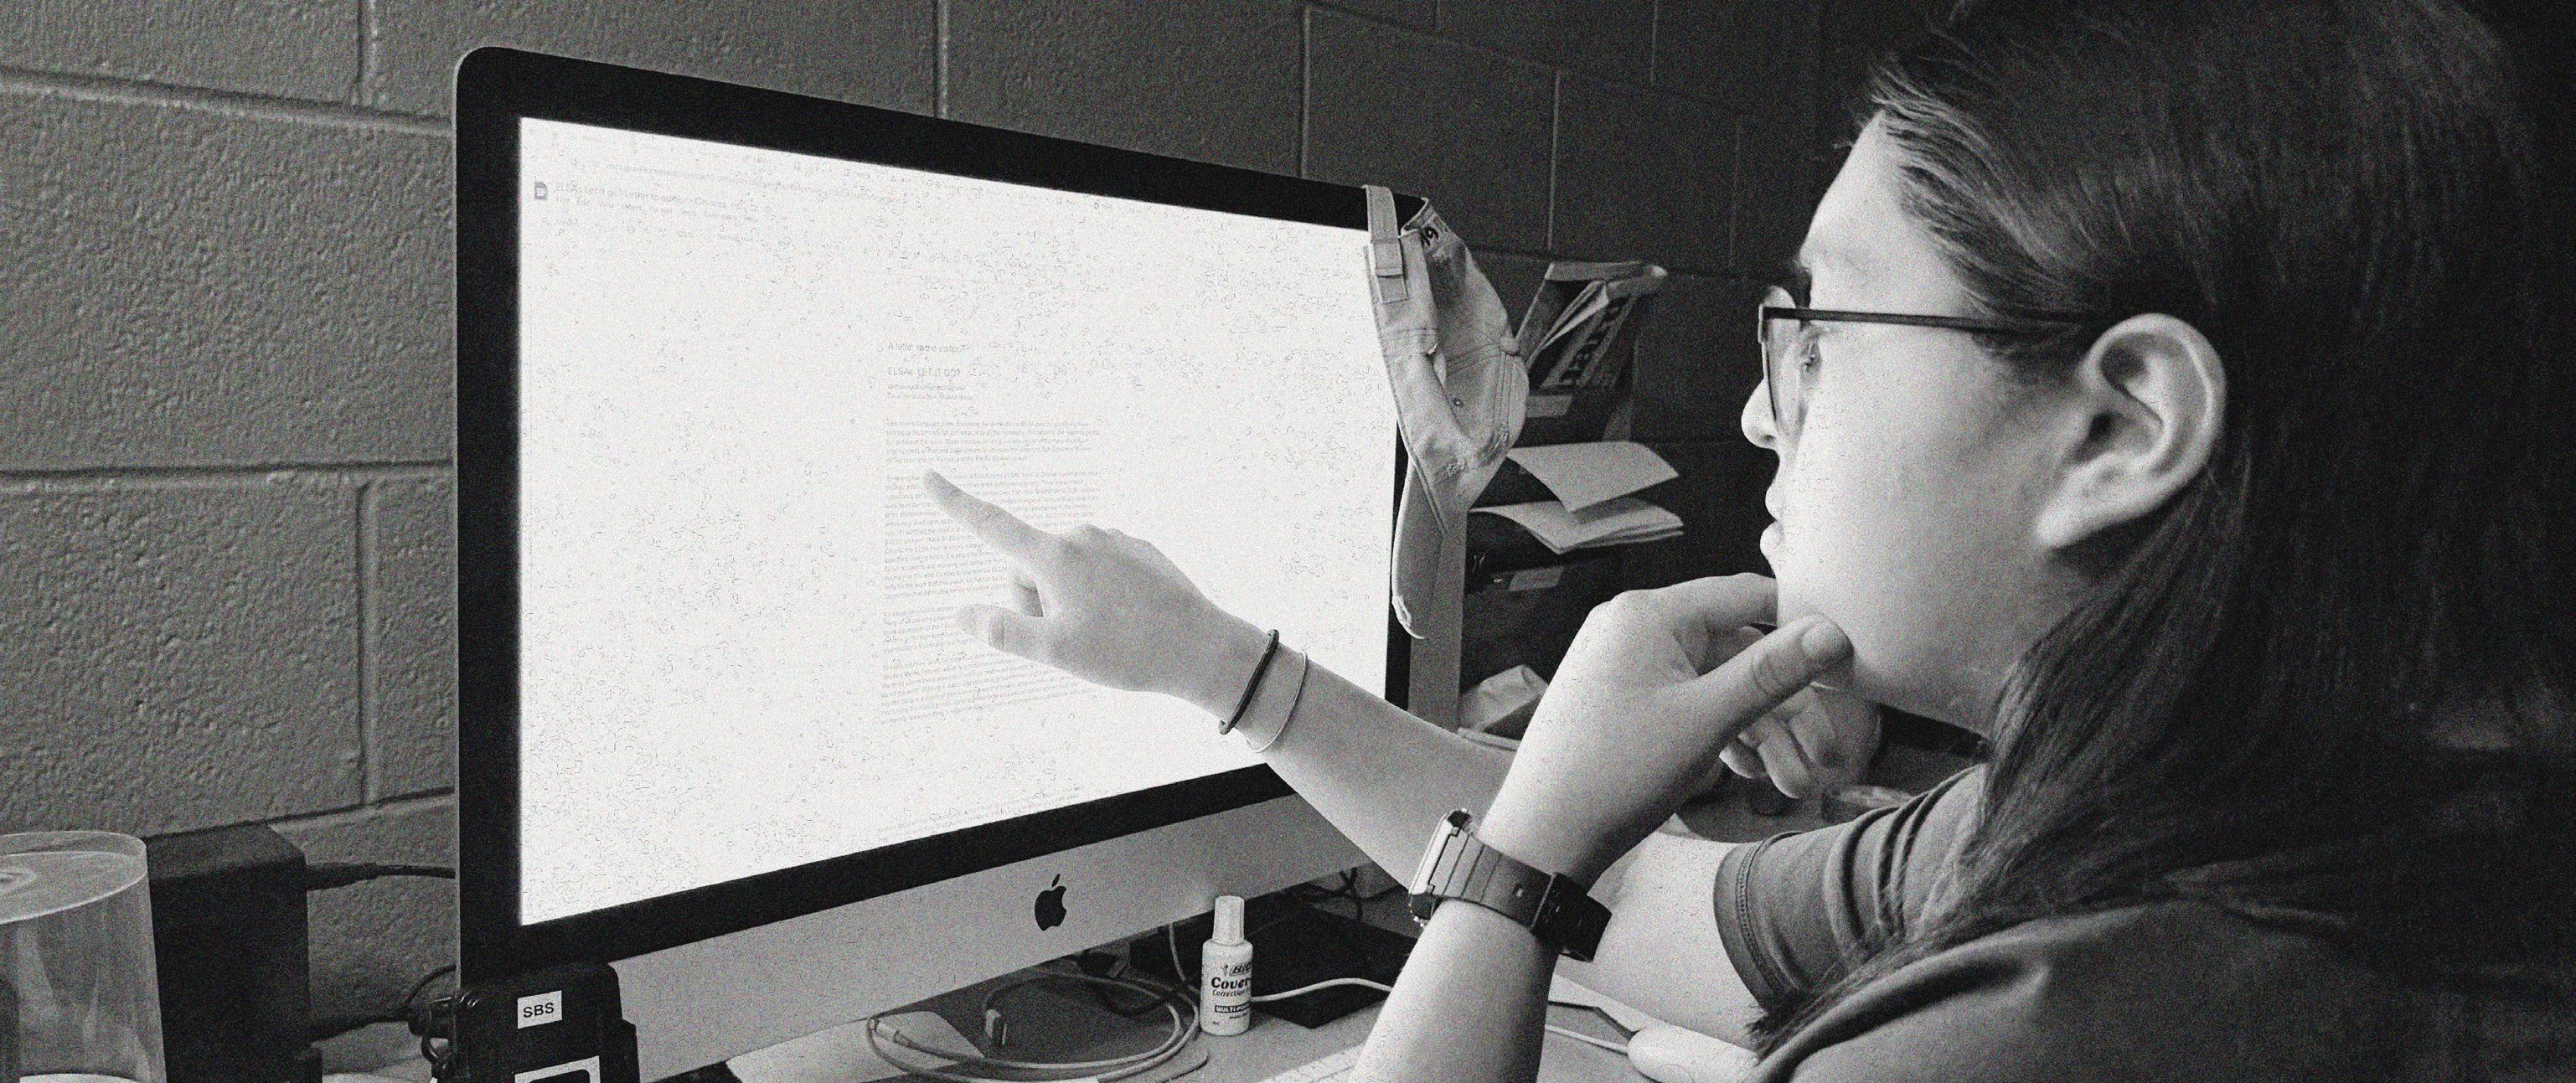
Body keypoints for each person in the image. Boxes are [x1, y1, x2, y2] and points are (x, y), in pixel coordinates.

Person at [922, 0, 2576, 1077]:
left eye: (1820, 332)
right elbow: (1647, 914)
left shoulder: (2066, 1030)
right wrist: (1225, 667)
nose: (1756, 415)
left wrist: (1517, 864)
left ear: (2121, 428)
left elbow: (1564, 887)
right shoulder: (2202, 799)